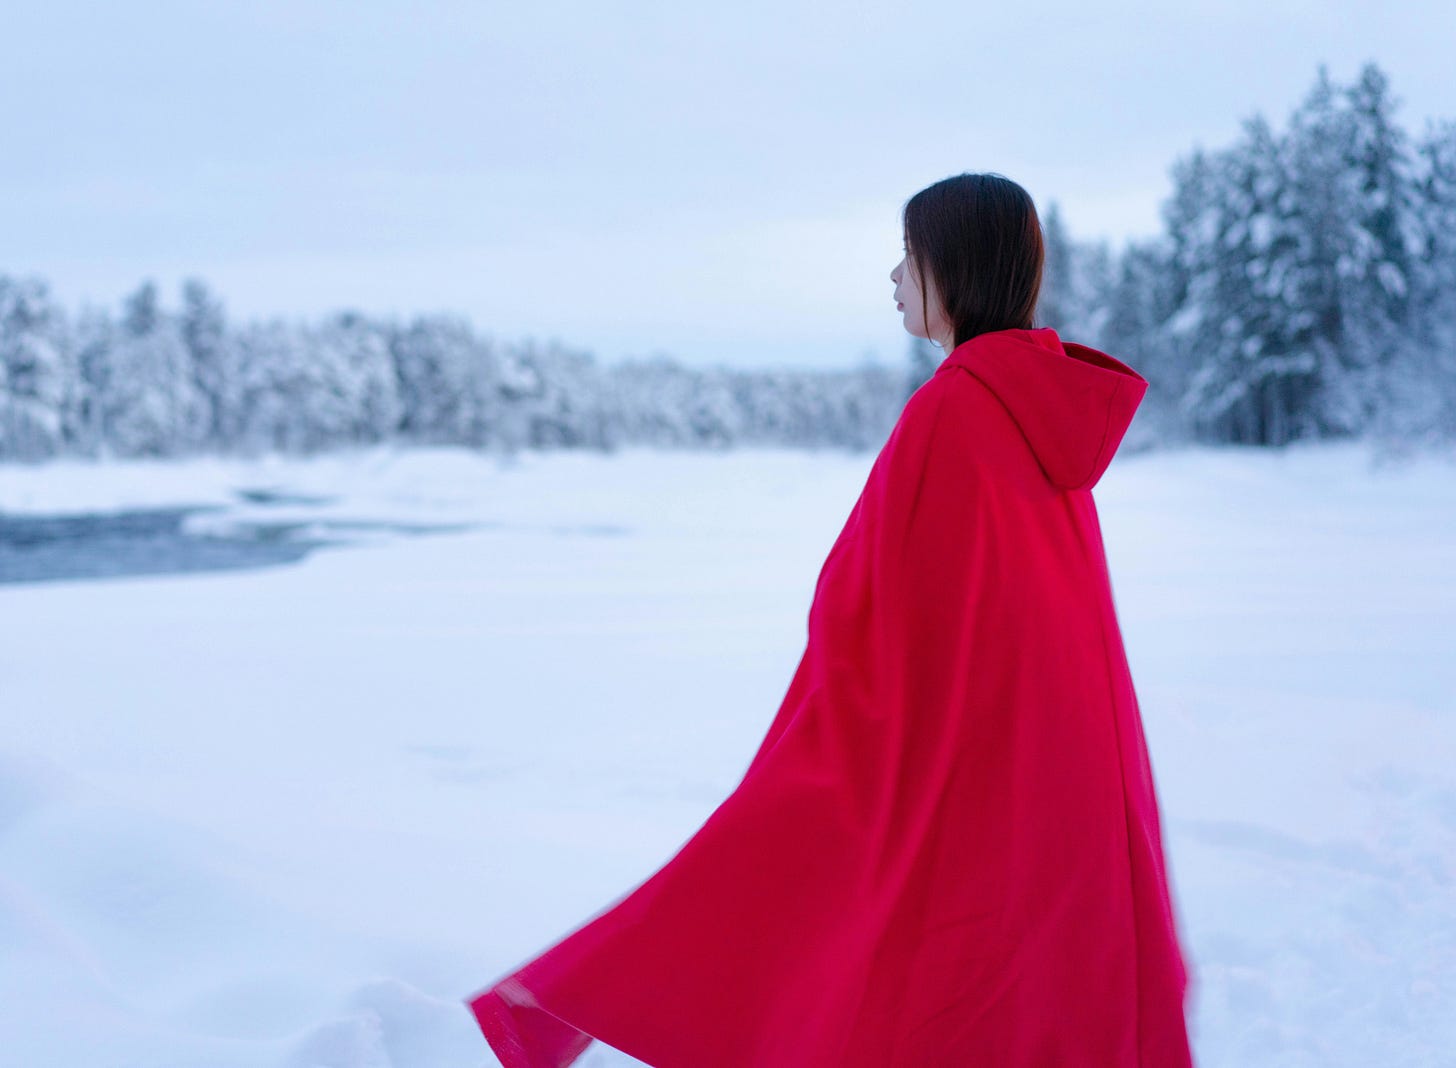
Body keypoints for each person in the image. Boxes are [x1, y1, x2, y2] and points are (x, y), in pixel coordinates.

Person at [464, 172, 1197, 1066]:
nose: (894, 278)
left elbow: (879, 609)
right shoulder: (1046, 411)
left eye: (910, 256)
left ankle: (583, 997)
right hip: (1056, 758)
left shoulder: (957, 409)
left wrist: (824, 736)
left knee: (841, 910)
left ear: (955, 268)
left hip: (971, 754)